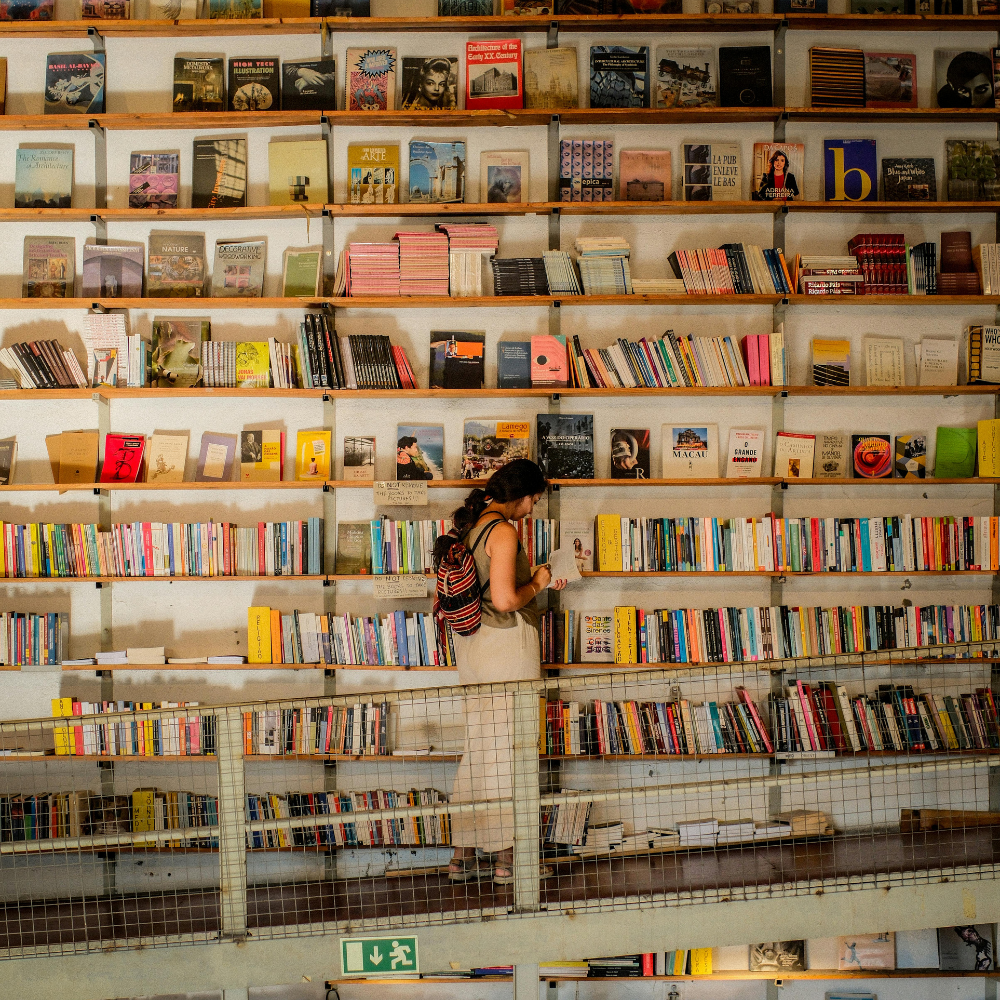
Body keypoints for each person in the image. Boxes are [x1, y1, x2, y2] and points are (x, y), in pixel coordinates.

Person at [433, 459, 567, 885]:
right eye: (534, 500)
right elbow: (507, 600)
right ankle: (508, 858)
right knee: (509, 749)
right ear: (522, 495)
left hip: (474, 645)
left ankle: (461, 856)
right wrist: (540, 582)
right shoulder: (504, 531)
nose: (532, 508)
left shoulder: (470, 528)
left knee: (480, 747)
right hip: (506, 644)